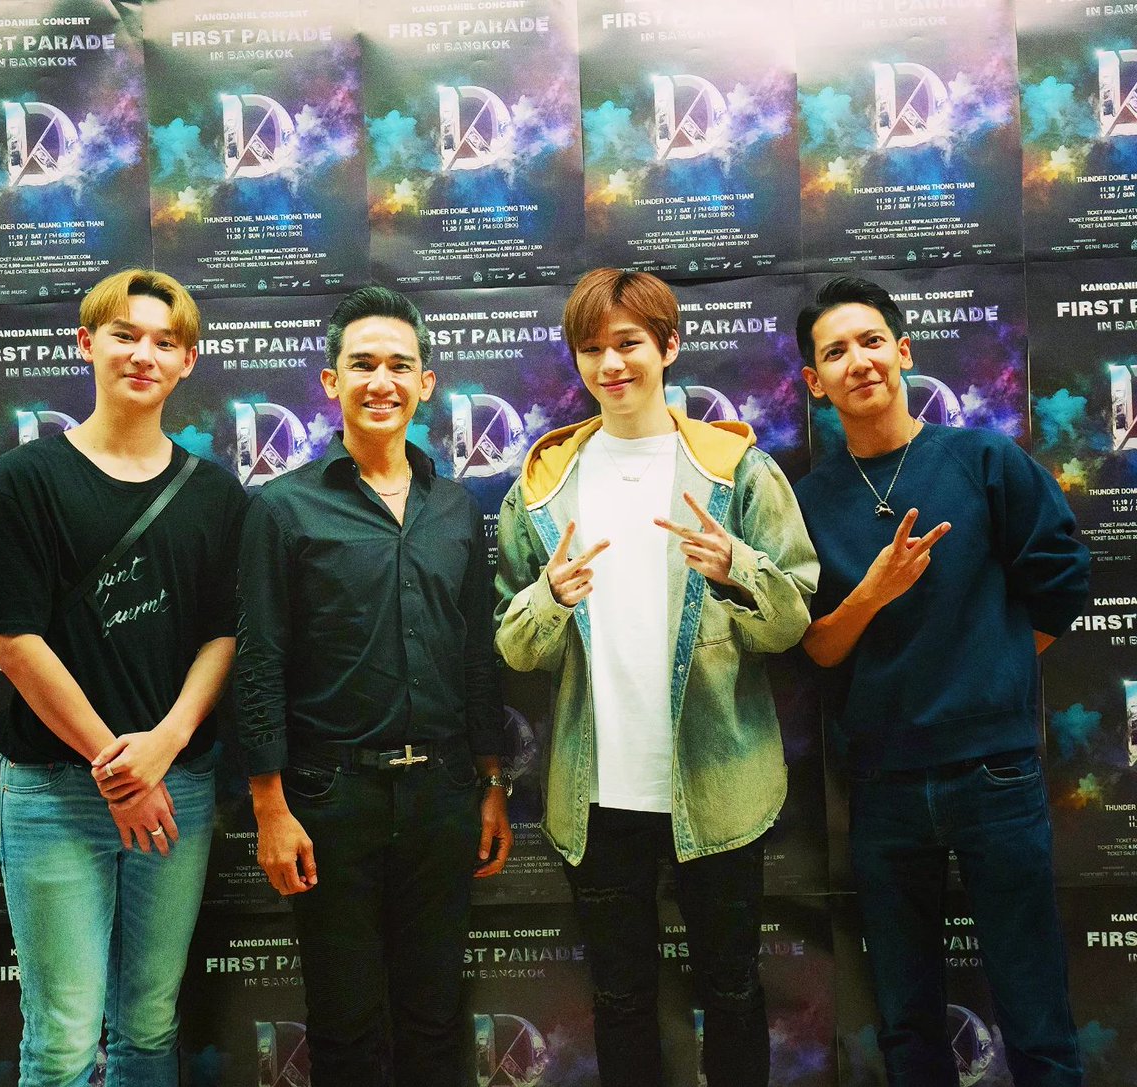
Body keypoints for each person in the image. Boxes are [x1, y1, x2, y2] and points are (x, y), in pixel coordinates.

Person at [494, 268, 817, 1087]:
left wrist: (738, 567)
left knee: (733, 990)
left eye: (629, 342)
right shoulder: (545, 483)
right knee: (620, 998)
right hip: (596, 796)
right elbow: (513, 647)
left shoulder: (737, 470)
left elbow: (792, 623)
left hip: (720, 780)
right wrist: (549, 599)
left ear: (669, 346)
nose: (611, 364)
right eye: (591, 348)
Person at [0, 268, 248, 1086]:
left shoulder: (215, 495)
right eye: (125, 335)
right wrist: (118, 769)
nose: (143, 354)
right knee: (63, 1039)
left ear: (188, 360)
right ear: (87, 343)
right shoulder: (24, 480)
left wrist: (165, 745)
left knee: (149, 1026)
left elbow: (223, 635)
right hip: (55, 791)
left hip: (177, 788)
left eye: (164, 341)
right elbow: (17, 645)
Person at [792, 276, 1089, 1086]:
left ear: (903, 351)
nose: (859, 361)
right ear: (815, 382)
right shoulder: (808, 502)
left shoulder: (983, 459)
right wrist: (872, 593)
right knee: (907, 1022)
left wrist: (993, 662)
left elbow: (1062, 580)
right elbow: (817, 648)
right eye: (835, 352)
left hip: (995, 772)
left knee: (1035, 1011)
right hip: (883, 783)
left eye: (871, 341)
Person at [236, 285, 511, 1087]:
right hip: (329, 800)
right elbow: (258, 661)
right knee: (345, 1026)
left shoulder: (455, 507)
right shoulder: (282, 508)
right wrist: (269, 806)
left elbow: (476, 656)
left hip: (443, 796)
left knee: (435, 1020)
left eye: (399, 365)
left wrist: (492, 781)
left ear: (426, 383)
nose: (381, 381)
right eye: (362, 364)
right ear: (332, 381)